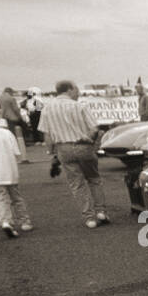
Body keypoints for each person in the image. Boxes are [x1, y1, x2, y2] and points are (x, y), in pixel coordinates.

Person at [38, 80, 109, 229]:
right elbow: (94, 128)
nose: (78, 92)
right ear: (69, 90)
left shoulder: (47, 109)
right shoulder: (80, 106)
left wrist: (52, 152)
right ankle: (101, 211)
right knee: (94, 179)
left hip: (63, 148)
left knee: (77, 184)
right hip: (84, 146)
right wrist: (89, 140)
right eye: (76, 89)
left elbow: (47, 135)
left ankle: (89, 218)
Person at [0, 107, 34, 237]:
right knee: (16, 198)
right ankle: (25, 222)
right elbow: (16, 152)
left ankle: (6, 222)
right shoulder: (5, 133)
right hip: (9, 171)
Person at [0, 88, 29, 162]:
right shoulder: (11, 98)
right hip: (13, 117)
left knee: (10, 131)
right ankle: (20, 145)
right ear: (9, 91)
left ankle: (12, 146)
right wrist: (20, 117)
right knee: (19, 130)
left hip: (5, 117)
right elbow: (15, 109)